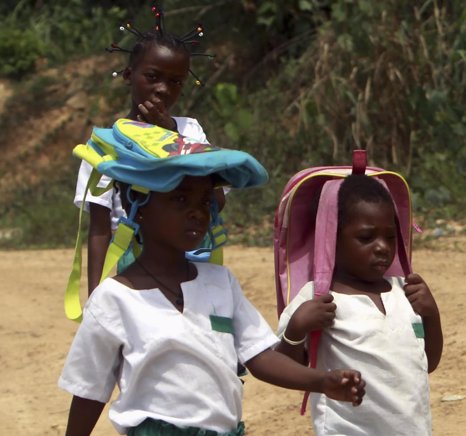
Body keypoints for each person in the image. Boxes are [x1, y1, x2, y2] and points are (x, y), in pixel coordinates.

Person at [60, 120, 366, 435]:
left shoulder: (221, 283)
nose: (197, 212)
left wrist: (322, 381)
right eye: (179, 199)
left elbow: (260, 357)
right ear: (135, 206)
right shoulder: (113, 299)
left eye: (205, 202)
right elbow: (89, 390)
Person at [276, 174, 442, 435]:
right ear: (331, 239)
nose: (382, 248)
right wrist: (296, 329)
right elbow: (285, 368)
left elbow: (427, 363)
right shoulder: (318, 298)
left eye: (390, 237)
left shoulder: (405, 292)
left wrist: (431, 316)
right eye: (366, 237)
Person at [74, 9, 222, 295]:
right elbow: (100, 227)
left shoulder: (191, 132)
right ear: (130, 75)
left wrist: (172, 139)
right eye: (152, 77)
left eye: (176, 81)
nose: (163, 89)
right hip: (135, 259)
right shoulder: (106, 144)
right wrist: (95, 295)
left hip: (193, 256)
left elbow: (216, 202)